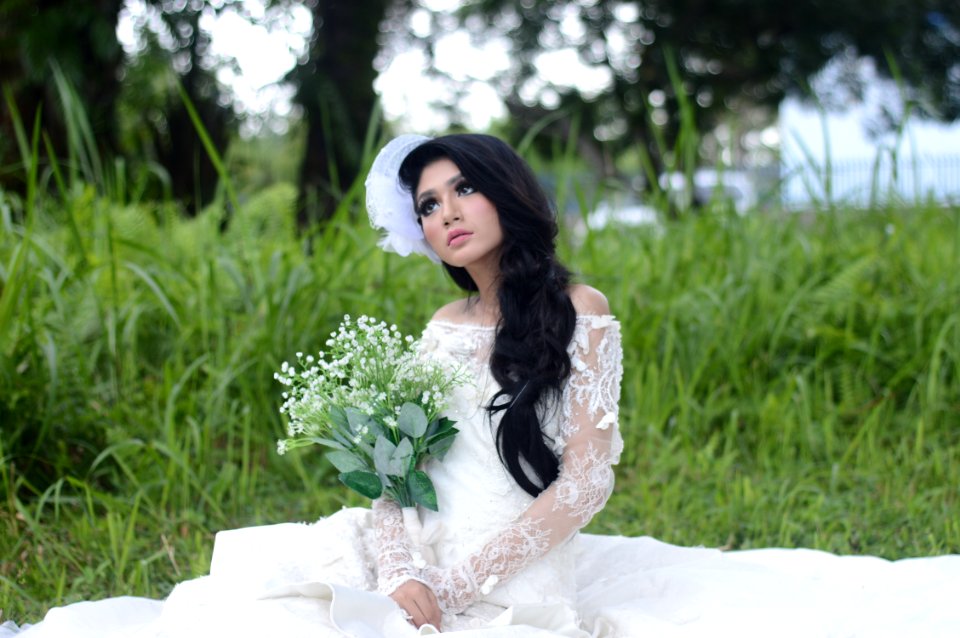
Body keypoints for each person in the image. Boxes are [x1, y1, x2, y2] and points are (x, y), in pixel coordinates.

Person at [5, 134, 960, 638]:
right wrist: (409, 568)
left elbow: (585, 482)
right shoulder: (438, 330)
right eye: (427, 204)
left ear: (505, 192)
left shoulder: (579, 307)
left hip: (515, 561)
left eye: (463, 188)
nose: (447, 212)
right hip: (424, 550)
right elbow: (394, 468)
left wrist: (461, 584)